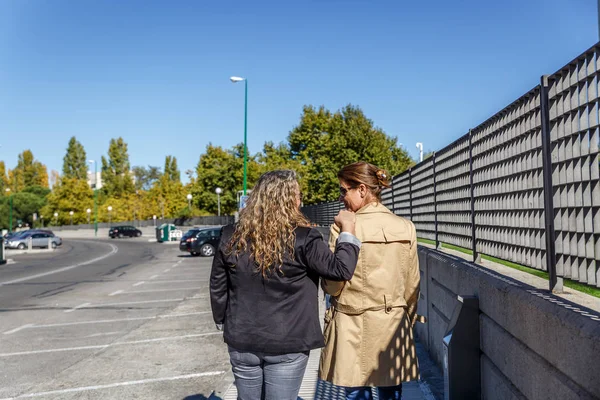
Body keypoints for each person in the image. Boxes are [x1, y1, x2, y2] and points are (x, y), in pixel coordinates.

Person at [210, 169, 361, 400]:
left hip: (242, 338)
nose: (301, 201)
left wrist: (222, 320)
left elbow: (218, 285)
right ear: (289, 200)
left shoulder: (231, 235)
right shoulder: (304, 238)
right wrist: (348, 232)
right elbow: (341, 269)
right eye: (298, 196)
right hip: (288, 341)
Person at [319, 162, 421, 400]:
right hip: (392, 324)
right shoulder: (406, 227)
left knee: (355, 391)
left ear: (362, 190)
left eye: (344, 191)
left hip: (351, 325)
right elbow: (412, 285)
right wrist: (407, 320)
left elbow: (335, 283)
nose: (342, 197)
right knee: (391, 392)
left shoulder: (344, 227)